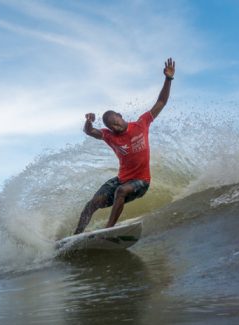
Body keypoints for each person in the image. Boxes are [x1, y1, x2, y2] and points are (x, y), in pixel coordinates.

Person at [74, 57, 175, 235]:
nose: (115, 127)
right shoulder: (109, 135)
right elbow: (89, 131)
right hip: (121, 179)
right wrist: (88, 122)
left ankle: (108, 230)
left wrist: (168, 79)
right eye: (111, 125)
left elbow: (161, 102)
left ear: (120, 116)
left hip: (141, 182)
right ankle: (75, 237)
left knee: (121, 191)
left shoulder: (141, 124)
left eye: (116, 122)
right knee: (91, 204)